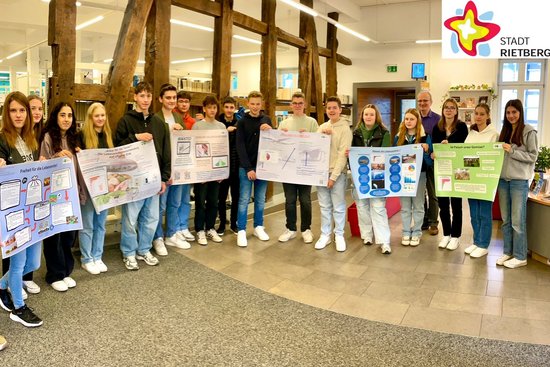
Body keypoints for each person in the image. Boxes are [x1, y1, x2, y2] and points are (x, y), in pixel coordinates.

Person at [114, 81, 170, 270]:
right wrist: (135, 137)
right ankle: (129, 252)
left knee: (152, 218)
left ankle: (144, 249)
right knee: (130, 219)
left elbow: (166, 151)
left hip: (153, 180)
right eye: (142, 96)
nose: (145, 100)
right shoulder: (126, 121)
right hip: (133, 180)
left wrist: (164, 178)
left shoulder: (159, 124)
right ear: (135, 97)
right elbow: (117, 148)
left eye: (148, 96)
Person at [0, 91, 43, 327]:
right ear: (7, 113)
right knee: (18, 265)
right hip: (14, 213)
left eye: (22, 110)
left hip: (33, 211)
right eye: (13, 110)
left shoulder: (31, 139)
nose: (18, 115)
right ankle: (18, 307)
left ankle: (0, 286)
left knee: (33, 263)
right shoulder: (2, 139)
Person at [40, 101, 81, 292]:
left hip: (71, 196)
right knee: (54, 235)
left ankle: (65, 271)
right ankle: (54, 274)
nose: (66, 119)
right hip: (54, 197)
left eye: (69, 115)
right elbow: (42, 166)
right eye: (62, 115)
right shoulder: (48, 137)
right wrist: (56, 157)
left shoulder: (75, 138)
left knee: (68, 234)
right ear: (56, 117)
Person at [497, 99, 538, 269]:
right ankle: (508, 251)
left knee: (517, 221)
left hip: (519, 182)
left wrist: (512, 151)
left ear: (520, 112)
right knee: (506, 220)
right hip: (503, 181)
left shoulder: (529, 131)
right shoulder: (505, 131)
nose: (511, 115)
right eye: (508, 112)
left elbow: (532, 156)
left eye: (514, 112)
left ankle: (521, 256)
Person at [152, 83, 190, 256]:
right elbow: (156, 145)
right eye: (168, 97)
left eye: (174, 97)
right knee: (160, 207)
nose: (171, 101)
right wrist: (169, 130)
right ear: (160, 99)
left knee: (175, 203)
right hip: (162, 170)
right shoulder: (156, 119)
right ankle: (157, 237)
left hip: (178, 169)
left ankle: (171, 234)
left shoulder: (178, 118)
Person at [349, 103, 391, 254]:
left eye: (371, 114)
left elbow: (385, 154)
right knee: (362, 207)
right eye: (366, 114)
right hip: (359, 175)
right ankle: (366, 235)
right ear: (362, 116)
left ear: (376, 116)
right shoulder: (355, 133)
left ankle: (384, 241)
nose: (368, 117)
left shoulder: (384, 133)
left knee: (378, 208)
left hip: (378, 174)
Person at [278, 92, 318, 244]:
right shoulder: (284, 124)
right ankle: (291, 229)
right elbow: (279, 145)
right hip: (288, 169)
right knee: (290, 200)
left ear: (305, 104)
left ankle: (306, 229)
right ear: (291, 105)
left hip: (305, 169)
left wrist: (308, 136)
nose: (297, 105)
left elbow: (319, 144)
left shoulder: (312, 122)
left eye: (300, 103)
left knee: (306, 200)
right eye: (295, 103)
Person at [77, 103, 113, 274]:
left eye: (103, 115)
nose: (100, 118)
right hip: (88, 188)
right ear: (90, 118)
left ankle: (97, 256)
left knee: (101, 225)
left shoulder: (107, 135)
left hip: (104, 188)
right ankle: (86, 258)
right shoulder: (81, 136)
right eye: (96, 115)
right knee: (87, 224)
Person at [235, 91, 272, 247]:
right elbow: (240, 146)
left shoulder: (267, 120)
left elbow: (274, 142)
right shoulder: (242, 122)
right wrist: (249, 168)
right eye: (252, 104)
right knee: (243, 200)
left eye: (258, 104)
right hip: (246, 168)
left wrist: (270, 129)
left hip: (263, 167)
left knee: (260, 199)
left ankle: (258, 226)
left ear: (261, 104)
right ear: (247, 104)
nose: (255, 107)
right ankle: (242, 229)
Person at [315, 96, 352, 252]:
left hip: (337, 174)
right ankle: (325, 235)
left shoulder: (345, 129)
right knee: (324, 206)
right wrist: (322, 136)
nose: (331, 110)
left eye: (334, 108)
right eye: (329, 108)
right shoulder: (321, 127)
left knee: (338, 206)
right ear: (326, 110)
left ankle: (339, 235)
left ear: (340, 109)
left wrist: (333, 177)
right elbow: (314, 149)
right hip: (320, 174)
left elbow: (342, 155)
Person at [431, 98, 468, 250]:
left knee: (457, 204)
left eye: (452, 108)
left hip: (459, 169)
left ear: (456, 111)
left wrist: (450, 145)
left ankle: (456, 236)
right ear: (443, 109)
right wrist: (434, 153)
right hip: (442, 170)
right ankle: (446, 234)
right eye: (446, 107)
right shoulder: (437, 127)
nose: (449, 110)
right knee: (443, 204)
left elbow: (464, 148)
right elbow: (434, 148)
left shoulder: (462, 127)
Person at [464, 103, 499, 258]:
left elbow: (493, 157)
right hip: (471, 177)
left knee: (484, 213)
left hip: (485, 179)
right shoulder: (471, 133)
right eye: (476, 113)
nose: (478, 117)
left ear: (488, 115)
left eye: (482, 114)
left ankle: (484, 244)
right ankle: (476, 241)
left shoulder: (493, 134)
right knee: (474, 212)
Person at [394, 108, 432, 248]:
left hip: (419, 175)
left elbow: (429, 162)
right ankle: (405, 232)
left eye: (412, 119)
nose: (409, 121)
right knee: (405, 206)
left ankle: (416, 232)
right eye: (407, 119)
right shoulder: (398, 137)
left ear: (417, 121)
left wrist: (427, 150)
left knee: (418, 205)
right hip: (403, 176)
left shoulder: (425, 136)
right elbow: (394, 158)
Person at [192, 96, 226, 245]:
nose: (212, 110)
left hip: (216, 172)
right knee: (201, 201)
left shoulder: (221, 126)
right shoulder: (197, 126)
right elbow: (194, 150)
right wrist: (198, 173)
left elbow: (222, 149)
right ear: (204, 109)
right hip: (201, 172)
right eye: (209, 107)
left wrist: (221, 172)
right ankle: (199, 229)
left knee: (214, 201)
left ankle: (210, 227)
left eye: (214, 107)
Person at [416, 91, 440, 235]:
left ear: (431, 102)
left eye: (425, 101)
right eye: (420, 101)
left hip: (431, 160)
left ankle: (433, 222)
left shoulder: (438, 119)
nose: (422, 104)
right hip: (415, 162)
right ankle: (423, 220)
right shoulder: (413, 117)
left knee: (432, 193)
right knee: (419, 193)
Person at [216, 96, 240, 235]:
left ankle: (233, 223)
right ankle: (221, 223)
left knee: (236, 196)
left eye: (232, 107)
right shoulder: (218, 123)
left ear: (235, 108)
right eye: (227, 107)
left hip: (236, 165)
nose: (229, 110)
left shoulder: (239, 123)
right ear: (223, 107)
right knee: (221, 197)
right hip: (221, 166)